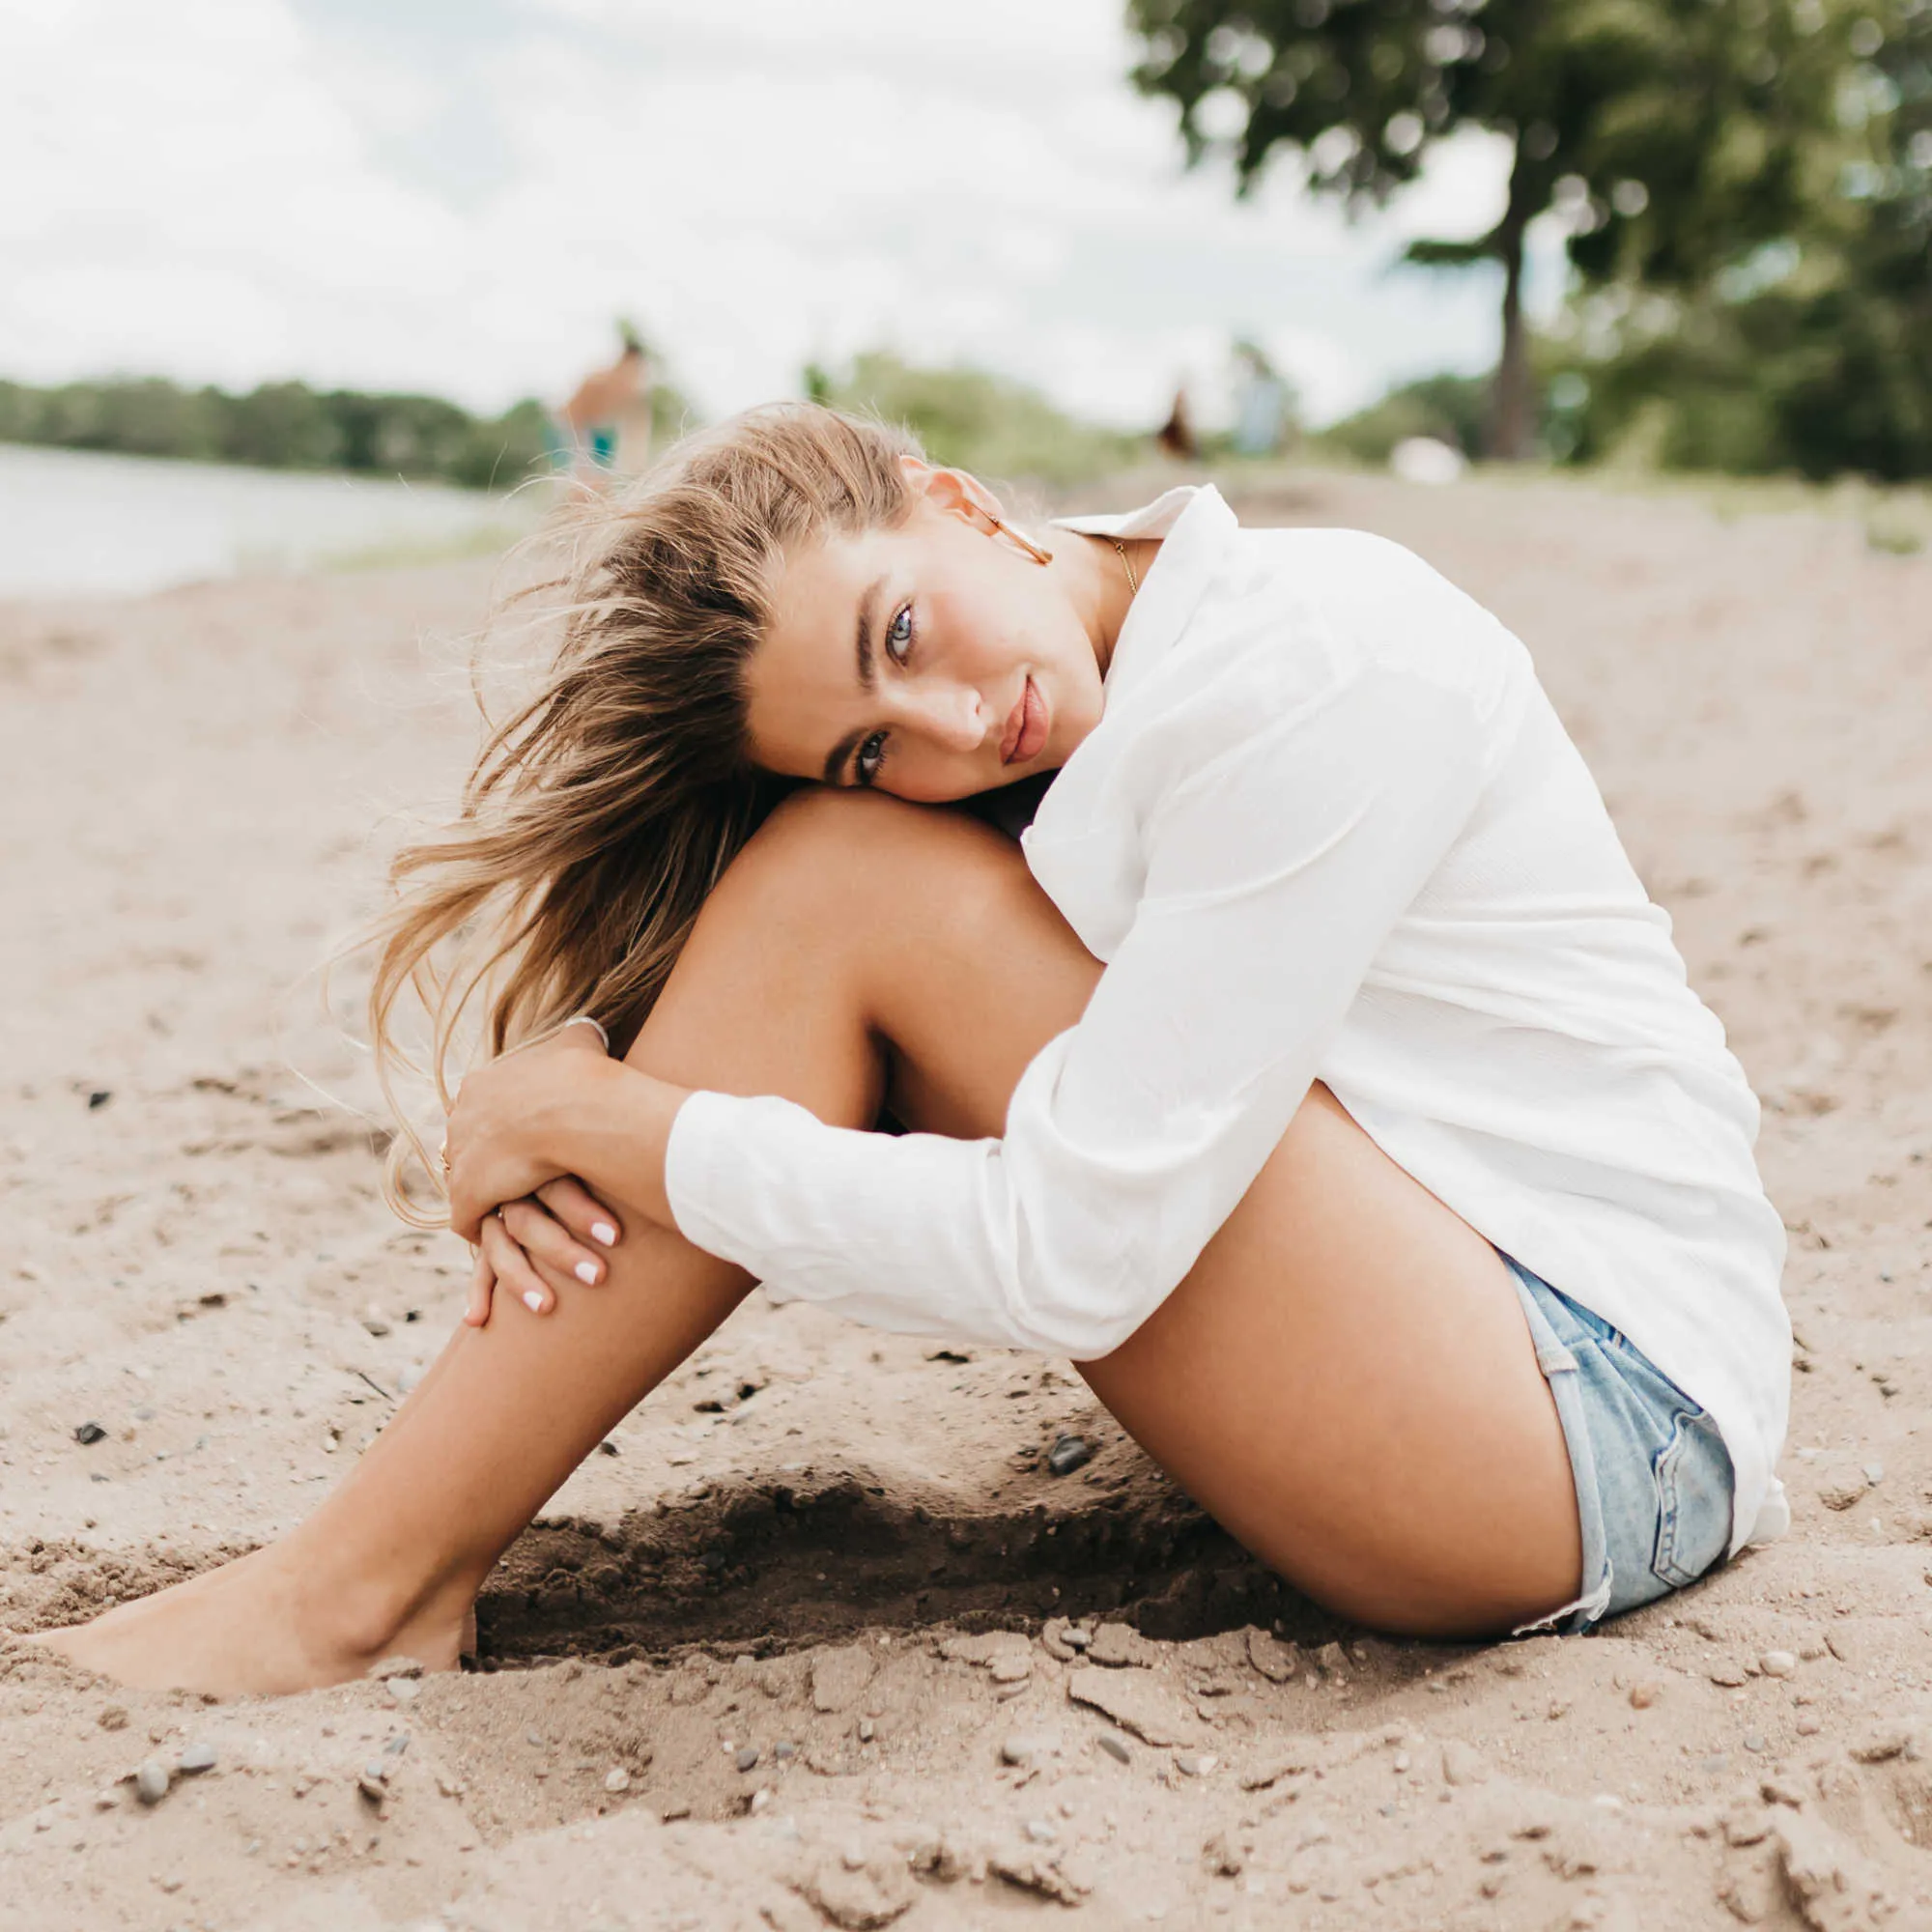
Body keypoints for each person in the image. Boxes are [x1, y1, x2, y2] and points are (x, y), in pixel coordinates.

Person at [31, 405, 1790, 1697]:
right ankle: (376, 1566)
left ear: (957, 502)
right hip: (1503, 1342)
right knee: (828, 874)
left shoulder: (1308, 668)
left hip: (1599, 1423)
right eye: (875, 743)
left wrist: (623, 1128)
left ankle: (360, 1586)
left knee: (839, 887)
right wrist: (604, 1080)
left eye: (900, 632)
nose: (953, 723)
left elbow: (1072, 1256)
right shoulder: (1094, 694)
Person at [548, 325, 652, 487]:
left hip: (597, 432)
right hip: (571, 428)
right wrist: (583, 460)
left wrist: (638, 461)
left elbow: (638, 425)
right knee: (581, 485)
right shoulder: (598, 380)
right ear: (624, 360)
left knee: (602, 483)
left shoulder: (632, 388)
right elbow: (575, 418)